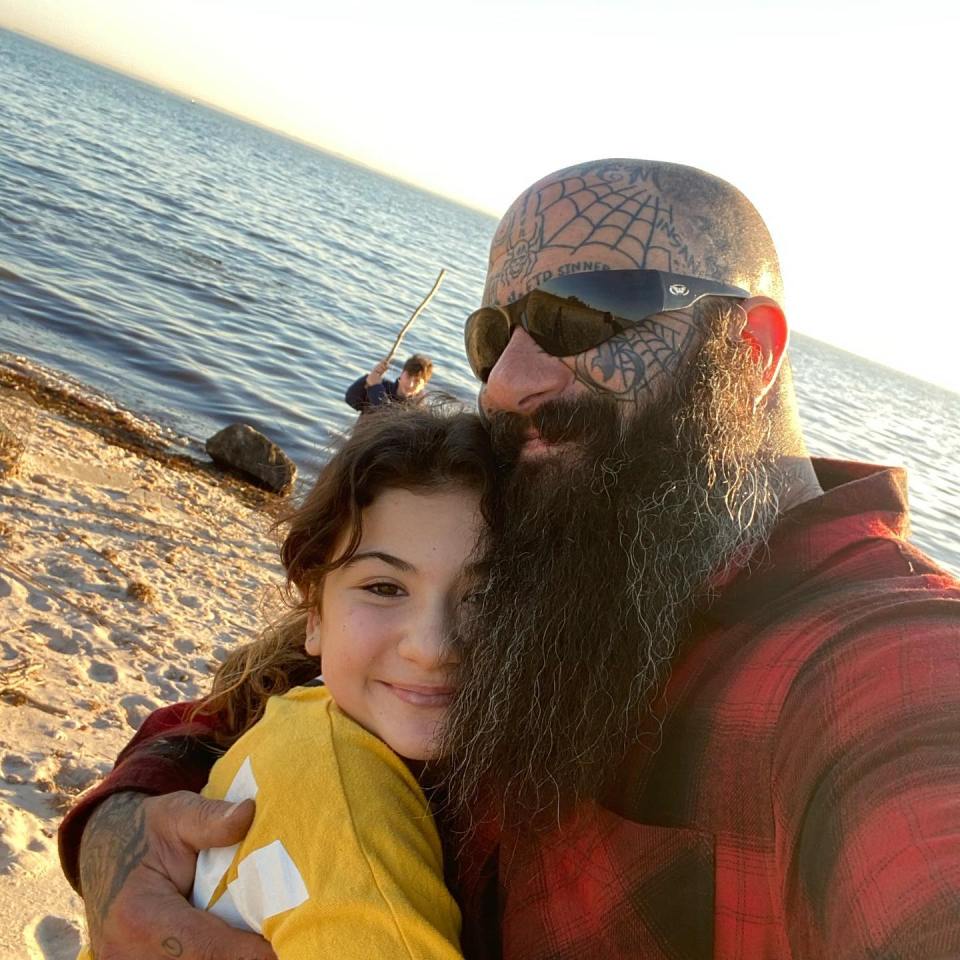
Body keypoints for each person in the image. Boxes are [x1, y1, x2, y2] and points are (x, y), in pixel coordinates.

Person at [60, 159, 960, 960]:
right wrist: (121, 830)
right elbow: (296, 680)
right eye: (494, 337)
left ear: (749, 346)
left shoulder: (880, 668)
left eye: (580, 314)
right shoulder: (568, 520)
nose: (506, 381)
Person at [76, 404, 494, 959]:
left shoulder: (301, 715)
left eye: (486, 596)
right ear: (314, 613)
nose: (433, 648)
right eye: (384, 588)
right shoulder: (345, 805)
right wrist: (115, 824)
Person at [344, 353, 433, 412]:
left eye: (417, 381)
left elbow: (391, 421)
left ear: (423, 385)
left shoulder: (418, 409)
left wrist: (375, 388)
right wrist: (369, 378)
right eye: (408, 376)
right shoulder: (383, 386)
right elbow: (351, 399)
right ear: (402, 373)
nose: (410, 384)